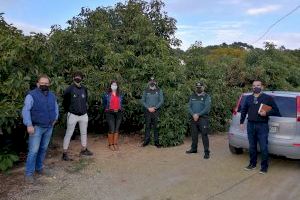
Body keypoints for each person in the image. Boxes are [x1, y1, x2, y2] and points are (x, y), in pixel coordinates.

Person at [22, 75, 59, 183]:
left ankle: (39, 168)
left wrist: (55, 118)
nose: (44, 85)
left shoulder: (52, 95)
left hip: (49, 127)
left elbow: (56, 107)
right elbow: (26, 110)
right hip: (36, 127)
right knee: (33, 151)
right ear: (38, 84)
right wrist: (29, 125)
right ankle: (29, 174)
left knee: (43, 149)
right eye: (42, 83)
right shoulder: (31, 95)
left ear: (49, 84)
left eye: (46, 83)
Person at [240, 80, 280, 174]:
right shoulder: (249, 98)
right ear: (252, 87)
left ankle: (264, 167)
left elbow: (276, 110)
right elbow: (244, 110)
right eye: (254, 86)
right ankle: (252, 164)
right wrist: (241, 122)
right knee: (252, 146)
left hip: (262, 125)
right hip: (250, 125)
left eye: (258, 85)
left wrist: (266, 113)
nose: (256, 87)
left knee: (263, 147)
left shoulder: (267, 98)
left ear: (262, 87)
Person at [62, 71, 93, 161]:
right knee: (69, 133)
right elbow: (65, 102)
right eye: (76, 76)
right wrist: (70, 110)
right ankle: (64, 153)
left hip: (83, 115)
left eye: (80, 77)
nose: (78, 78)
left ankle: (84, 149)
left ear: (82, 78)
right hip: (72, 115)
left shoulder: (84, 89)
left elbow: (85, 100)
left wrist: (84, 110)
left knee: (84, 133)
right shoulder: (69, 89)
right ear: (73, 78)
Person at [186, 82, 211, 159]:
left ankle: (206, 152)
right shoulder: (192, 96)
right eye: (197, 87)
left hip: (203, 118)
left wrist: (198, 114)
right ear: (195, 88)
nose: (198, 89)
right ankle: (194, 149)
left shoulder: (207, 96)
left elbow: (207, 108)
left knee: (204, 134)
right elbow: (189, 106)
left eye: (200, 87)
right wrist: (193, 114)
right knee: (194, 134)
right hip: (194, 118)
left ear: (203, 87)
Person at [141, 77, 164, 148]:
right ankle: (146, 141)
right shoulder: (146, 90)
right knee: (147, 126)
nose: (152, 83)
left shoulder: (159, 90)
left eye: (153, 81)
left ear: (155, 82)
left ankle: (157, 142)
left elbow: (161, 101)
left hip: (156, 111)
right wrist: (148, 108)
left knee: (156, 127)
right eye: (151, 81)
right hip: (147, 111)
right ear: (149, 82)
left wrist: (155, 107)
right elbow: (142, 101)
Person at [103, 80, 123, 151]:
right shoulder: (106, 94)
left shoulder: (120, 94)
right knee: (112, 128)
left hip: (119, 113)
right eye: (113, 85)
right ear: (110, 86)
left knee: (117, 129)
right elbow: (104, 104)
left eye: (115, 85)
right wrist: (107, 109)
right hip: (109, 113)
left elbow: (121, 103)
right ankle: (110, 144)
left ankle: (115, 144)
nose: (114, 86)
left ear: (117, 86)